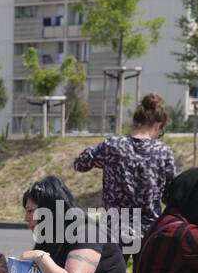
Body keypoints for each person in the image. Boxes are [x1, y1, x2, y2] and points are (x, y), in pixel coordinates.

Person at [72, 92, 176, 252]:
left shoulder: (112, 146)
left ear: (135, 121)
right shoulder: (163, 152)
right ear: (159, 125)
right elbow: (170, 194)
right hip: (150, 230)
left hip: (115, 229)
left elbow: (80, 164)